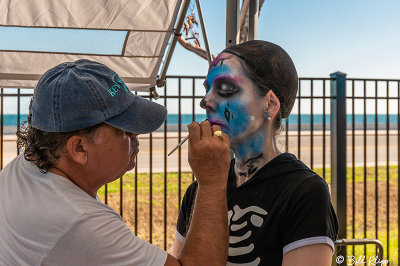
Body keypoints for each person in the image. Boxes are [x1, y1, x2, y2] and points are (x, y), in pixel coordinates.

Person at [0, 59, 231, 265]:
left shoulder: (23, 167)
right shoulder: (81, 223)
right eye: (124, 130)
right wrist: (211, 181)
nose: (136, 135)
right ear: (79, 148)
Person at [172, 40, 339, 266]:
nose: (206, 101)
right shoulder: (200, 189)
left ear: (269, 104)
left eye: (225, 89)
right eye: (207, 89)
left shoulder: (304, 192)